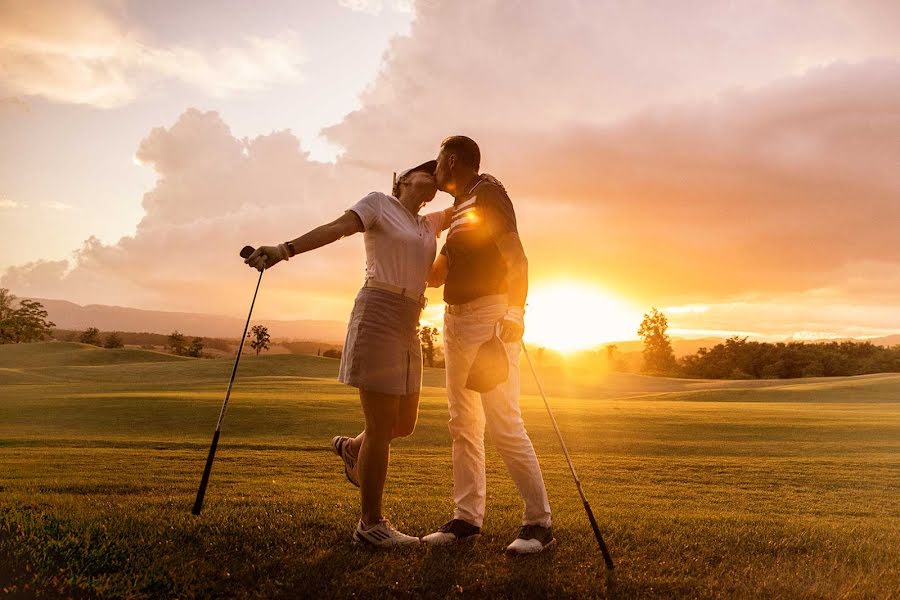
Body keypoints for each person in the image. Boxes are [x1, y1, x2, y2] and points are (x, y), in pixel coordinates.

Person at [244, 161, 451, 547]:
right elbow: (336, 229)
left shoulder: (429, 224)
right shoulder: (379, 204)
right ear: (403, 179)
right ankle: (370, 525)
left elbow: (470, 204)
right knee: (380, 427)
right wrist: (284, 249)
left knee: (403, 424)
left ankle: (352, 448)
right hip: (378, 311)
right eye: (427, 172)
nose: (435, 178)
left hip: (411, 321)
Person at [421, 136, 554, 555]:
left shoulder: (488, 193)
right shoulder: (461, 210)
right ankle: (466, 519)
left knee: (503, 422)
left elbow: (516, 258)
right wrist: (406, 232)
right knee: (463, 423)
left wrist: (516, 314)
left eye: (438, 161)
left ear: (454, 161)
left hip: (489, 318)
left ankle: (539, 524)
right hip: (455, 320)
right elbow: (436, 276)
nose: (434, 168)